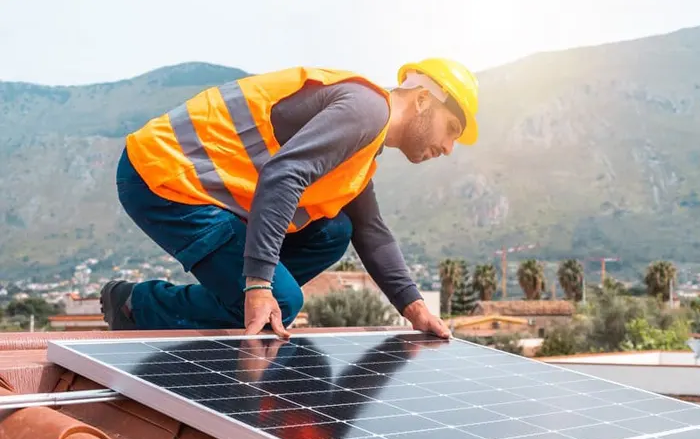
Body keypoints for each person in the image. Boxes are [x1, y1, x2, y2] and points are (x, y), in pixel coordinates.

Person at [100, 58, 479, 339]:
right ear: (424, 100)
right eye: (451, 129)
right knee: (279, 303)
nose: (447, 148)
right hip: (165, 176)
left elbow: (371, 231)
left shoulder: (366, 142)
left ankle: (240, 302)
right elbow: (284, 175)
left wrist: (414, 309)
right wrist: (261, 285)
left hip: (206, 192)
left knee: (335, 230)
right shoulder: (368, 110)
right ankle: (136, 304)